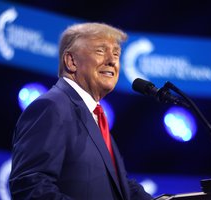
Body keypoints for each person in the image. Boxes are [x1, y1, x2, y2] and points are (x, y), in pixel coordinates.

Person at [9, 22, 153, 200]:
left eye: (116, 53)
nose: (112, 60)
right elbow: (31, 186)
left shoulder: (94, 116)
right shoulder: (51, 107)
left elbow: (119, 184)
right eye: (101, 51)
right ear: (71, 61)